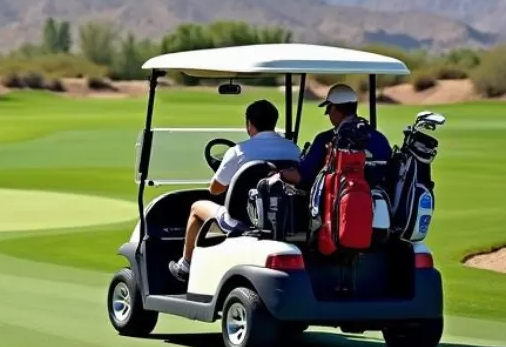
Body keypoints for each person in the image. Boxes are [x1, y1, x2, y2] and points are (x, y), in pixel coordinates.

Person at [168, 98, 301, 281]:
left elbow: (215, 189)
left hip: (242, 220)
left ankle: (185, 265)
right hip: (282, 217)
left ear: (250, 124)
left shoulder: (239, 151)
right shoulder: (293, 149)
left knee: (197, 207)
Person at [279, 83, 392, 189]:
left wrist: (279, 174)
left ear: (333, 108)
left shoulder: (325, 139)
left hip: (338, 206)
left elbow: (302, 176)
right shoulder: (380, 139)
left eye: (328, 108)